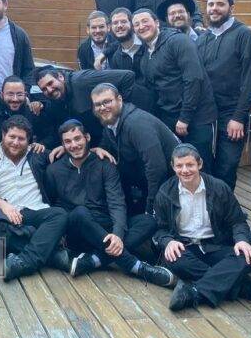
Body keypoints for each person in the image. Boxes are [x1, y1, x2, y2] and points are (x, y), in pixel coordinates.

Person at [45, 120, 174, 286]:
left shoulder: (105, 164)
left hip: (104, 226)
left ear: (87, 137)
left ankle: (95, 259)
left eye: (77, 139)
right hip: (78, 231)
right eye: (68, 141)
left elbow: (116, 201)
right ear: (62, 145)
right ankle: (136, 266)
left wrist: (118, 234)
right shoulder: (53, 170)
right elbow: (53, 205)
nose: (74, 145)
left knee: (148, 221)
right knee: (79, 212)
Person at [155, 143, 251, 311]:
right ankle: (246, 287)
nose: (185, 170)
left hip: (216, 245)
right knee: (174, 260)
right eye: (179, 166)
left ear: (200, 164)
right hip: (186, 247)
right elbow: (160, 229)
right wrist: (168, 241)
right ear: (173, 167)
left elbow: (237, 221)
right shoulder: (165, 192)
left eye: (190, 165)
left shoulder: (219, 187)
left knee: (247, 256)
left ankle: (194, 292)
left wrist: (241, 240)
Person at [0, 116, 71, 281]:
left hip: (36, 214)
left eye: (21, 139)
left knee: (59, 214)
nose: (15, 142)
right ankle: (51, 253)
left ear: (29, 141)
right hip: (6, 217)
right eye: (12, 137)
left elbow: (72, 154)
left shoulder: (38, 154)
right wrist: (3, 206)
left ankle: (24, 262)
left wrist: (93, 150)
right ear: (3, 135)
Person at [132, 8, 217, 168]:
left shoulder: (178, 41)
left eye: (145, 21)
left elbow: (194, 79)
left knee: (201, 166)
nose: (141, 26)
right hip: (170, 119)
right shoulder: (143, 54)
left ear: (157, 23)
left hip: (197, 118)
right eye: (136, 24)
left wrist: (185, 117)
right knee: (178, 167)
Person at [195, 0, 251, 189]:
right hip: (205, 114)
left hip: (232, 114)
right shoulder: (202, 39)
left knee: (227, 166)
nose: (214, 8)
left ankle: (226, 206)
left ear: (232, 8)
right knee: (205, 165)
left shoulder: (244, 35)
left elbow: (250, 80)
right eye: (211, 4)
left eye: (220, 4)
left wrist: (239, 117)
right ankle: (210, 206)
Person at [93, 84, 178, 215]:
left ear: (119, 99)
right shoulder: (110, 121)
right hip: (145, 184)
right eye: (98, 104)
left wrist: (151, 207)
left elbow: (157, 169)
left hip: (174, 186)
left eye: (107, 102)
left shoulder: (136, 125)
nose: (103, 107)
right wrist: (99, 149)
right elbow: (106, 142)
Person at [34, 66, 136, 147]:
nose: (49, 90)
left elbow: (127, 76)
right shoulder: (54, 101)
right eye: (44, 89)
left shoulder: (82, 80)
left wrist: (120, 119)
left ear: (61, 77)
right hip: (98, 143)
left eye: (50, 83)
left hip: (122, 135)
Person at [97, 7, 154, 113]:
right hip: (135, 111)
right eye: (115, 23)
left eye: (123, 21)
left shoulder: (148, 45)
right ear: (110, 28)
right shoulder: (116, 57)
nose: (119, 26)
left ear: (131, 24)